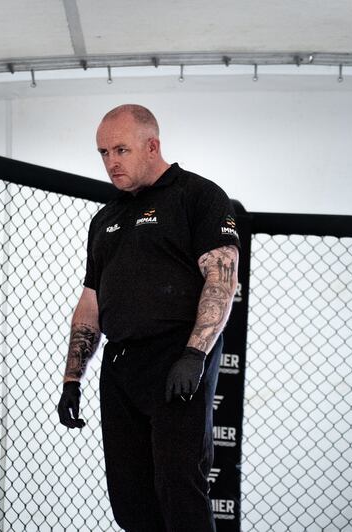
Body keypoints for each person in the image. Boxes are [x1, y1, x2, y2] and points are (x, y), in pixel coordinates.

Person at [57, 104, 240, 532]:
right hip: (121, 366)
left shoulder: (198, 196)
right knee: (130, 500)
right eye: (103, 152)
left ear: (152, 146)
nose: (110, 162)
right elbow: (90, 303)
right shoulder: (106, 217)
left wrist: (195, 354)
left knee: (179, 487)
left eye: (120, 149)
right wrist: (72, 379)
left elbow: (221, 277)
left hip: (177, 357)